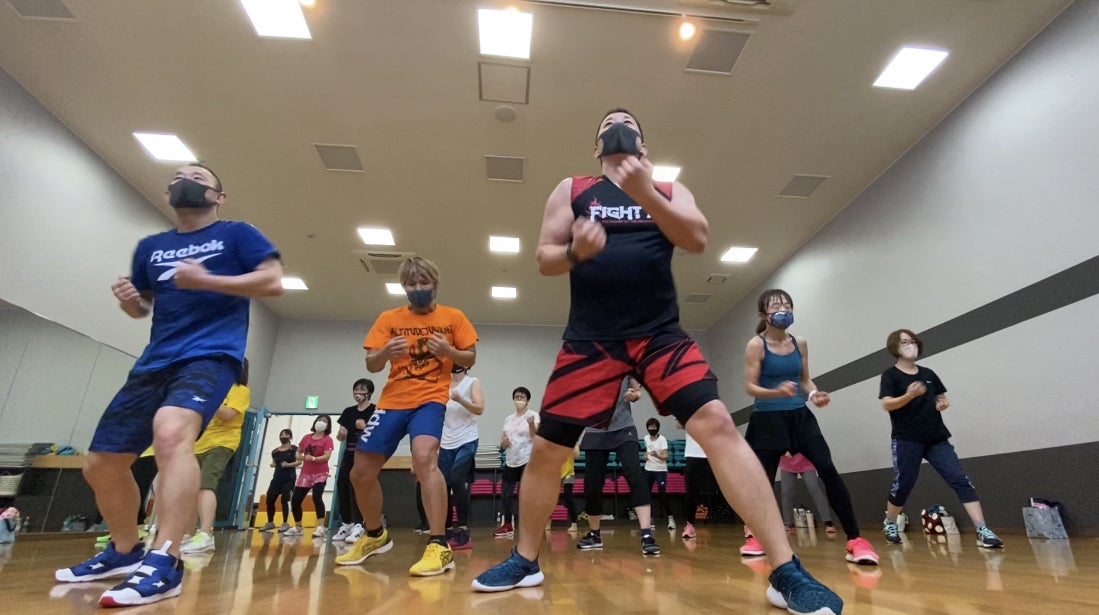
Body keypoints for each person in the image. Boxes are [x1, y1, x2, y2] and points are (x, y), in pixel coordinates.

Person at [472, 109, 843, 615]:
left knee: (717, 423)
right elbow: (544, 258)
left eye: (628, 123)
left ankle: (785, 571)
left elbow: (696, 238)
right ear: (597, 147)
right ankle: (525, 560)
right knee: (548, 448)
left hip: (660, 336)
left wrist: (645, 191)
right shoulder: (573, 189)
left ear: (643, 146)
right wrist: (576, 252)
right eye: (608, 123)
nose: (618, 126)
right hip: (591, 340)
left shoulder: (668, 188)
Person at [54, 163, 282, 607]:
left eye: (197, 177)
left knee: (172, 431)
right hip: (154, 361)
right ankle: (124, 551)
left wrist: (207, 280)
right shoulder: (152, 247)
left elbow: (271, 281)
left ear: (219, 197)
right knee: (101, 463)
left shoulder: (237, 234)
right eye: (178, 176)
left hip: (210, 356)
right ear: (168, 195)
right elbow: (142, 308)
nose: (185, 181)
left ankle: (166, 560)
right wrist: (130, 301)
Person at [336, 256, 478, 578]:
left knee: (424, 458)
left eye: (423, 282)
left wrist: (450, 352)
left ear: (435, 284)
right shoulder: (389, 318)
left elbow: (471, 356)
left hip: (430, 400)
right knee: (360, 473)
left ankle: (439, 544)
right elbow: (372, 364)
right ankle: (375, 535)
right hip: (391, 402)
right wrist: (386, 352)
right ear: (403, 286)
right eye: (411, 284)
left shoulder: (453, 316)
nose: (418, 288)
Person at [743, 288, 878, 566]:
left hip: (800, 417)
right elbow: (750, 387)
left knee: (827, 469)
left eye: (787, 305)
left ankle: (855, 540)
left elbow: (805, 379)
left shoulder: (800, 343)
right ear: (763, 314)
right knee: (762, 482)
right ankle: (757, 537)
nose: (783, 309)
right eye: (776, 306)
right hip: (767, 420)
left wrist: (814, 393)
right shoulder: (756, 345)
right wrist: (776, 392)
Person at [878, 329, 1003, 549]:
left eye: (913, 341)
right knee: (904, 484)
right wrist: (908, 395)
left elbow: (941, 397)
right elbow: (887, 404)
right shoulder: (890, 375)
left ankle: (982, 530)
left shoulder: (928, 373)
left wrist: (942, 403)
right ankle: (890, 522)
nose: (910, 345)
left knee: (959, 479)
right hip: (907, 439)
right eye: (905, 342)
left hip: (936, 438)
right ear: (895, 347)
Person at [575, 376, 660, 555]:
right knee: (592, 484)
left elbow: (637, 391)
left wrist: (634, 395)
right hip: (595, 430)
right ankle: (594, 534)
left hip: (623, 428)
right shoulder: (586, 367)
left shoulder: (624, 364)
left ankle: (646, 534)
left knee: (634, 474)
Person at [180, 359, 251, 554]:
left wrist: (209, 401)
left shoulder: (240, 390)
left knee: (206, 484)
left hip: (222, 442)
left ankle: (205, 534)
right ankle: (188, 534)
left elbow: (227, 414)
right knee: (190, 489)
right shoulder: (211, 387)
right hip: (199, 442)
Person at [440, 365, 484, 550]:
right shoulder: (443, 384)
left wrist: (460, 400)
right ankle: (447, 529)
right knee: (443, 485)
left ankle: (463, 529)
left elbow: (479, 409)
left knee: (457, 479)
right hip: (445, 441)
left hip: (467, 438)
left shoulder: (472, 382)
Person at [333, 379, 377, 544]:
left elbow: (378, 434)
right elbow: (340, 437)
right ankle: (347, 523)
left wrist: (364, 427)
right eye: (355, 389)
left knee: (356, 488)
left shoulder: (375, 410)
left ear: (369, 393)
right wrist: (341, 434)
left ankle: (359, 524)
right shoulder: (348, 412)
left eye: (361, 390)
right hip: (349, 453)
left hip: (365, 455)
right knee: (342, 485)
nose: (357, 393)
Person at [495, 387, 540, 539]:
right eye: (517, 397)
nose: (519, 400)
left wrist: (531, 424)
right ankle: (507, 524)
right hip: (511, 460)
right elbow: (502, 441)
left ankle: (528, 525)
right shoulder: (509, 419)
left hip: (527, 459)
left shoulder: (533, 415)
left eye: (522, 397)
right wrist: (503, 443)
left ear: (527, 400)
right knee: (506, 494)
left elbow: (535, 436)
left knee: (526, 495)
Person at [287, 415, 334, 537]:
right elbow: (298, 451)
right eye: (319, 420)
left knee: (317, 497)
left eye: (324, 421)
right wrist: (299, 456)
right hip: (305, 473)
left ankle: (320, 527)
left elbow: (327, 456)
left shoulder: (327, 439)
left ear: (328, 425)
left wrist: (314, 458)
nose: (321, 422)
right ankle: (298, 526)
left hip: (320, 473)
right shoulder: (306, 437)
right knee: (296, 499)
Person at [677, 424, 720, 541]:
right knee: (692, 491)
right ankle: (690, 524)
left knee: (729, 488)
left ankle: (748, 525)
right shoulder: (686, 410)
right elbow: (678, 424)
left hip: (714, 452)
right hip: (694, 453)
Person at [779, 452, 835, 534]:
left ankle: (828, 522)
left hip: (806, 462)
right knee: (786, 492)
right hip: (786, 465)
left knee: (814, 489)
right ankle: (788, 523)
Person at [259, 428, 299, 532]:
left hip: (289, 478)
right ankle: (270, 522)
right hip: (277, 478)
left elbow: (299, 462)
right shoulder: (275, 451)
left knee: (285, 500)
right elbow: (273, 463)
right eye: (282, 435)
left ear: (290, 437)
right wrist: (273, 465)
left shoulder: (294, 449)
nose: (283, 436)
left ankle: (285, 523)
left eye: (286, 435)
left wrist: (288, 465)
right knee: (269, 499)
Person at [643, 418, 674, 531]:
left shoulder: (662, 440)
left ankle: (670, 518)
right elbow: (647, 452)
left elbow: (665, 456)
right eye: (650, 427)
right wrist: (645, 456)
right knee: (646, 494)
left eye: (654, 427)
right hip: (648, 469)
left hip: (660, 470)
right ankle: (649, 519)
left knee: (662, 494)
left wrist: (657, 455)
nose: (652, 429)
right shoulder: (646, 438)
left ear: (658, 428)